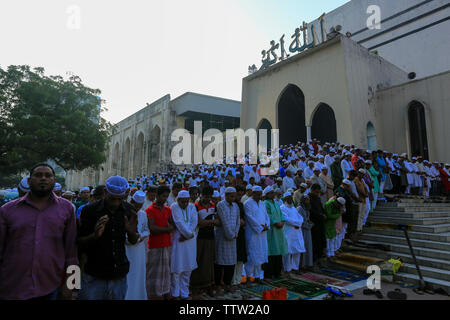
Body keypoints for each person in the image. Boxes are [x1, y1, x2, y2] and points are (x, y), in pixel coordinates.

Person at [0, 163, 78, 300]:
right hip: (12, 287)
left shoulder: (67, 209)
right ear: (29, 181)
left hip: (50, 288)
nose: (43, 178)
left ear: (54, 181)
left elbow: (72, 252)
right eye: (38, 175)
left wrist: (72, 285)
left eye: (48, 175)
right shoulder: (7, 210)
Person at [77, 176, 138, 300]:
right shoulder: (89, 211)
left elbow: (133, 240)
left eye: (120, 199)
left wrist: (131, 232)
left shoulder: (129, 210)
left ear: (125, 195)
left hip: (119, 274)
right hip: (94, 274)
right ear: (105, 192)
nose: (116, 203)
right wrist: (94, 236)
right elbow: (79, 243)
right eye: (112, 199)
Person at [145, 185, 175, 300]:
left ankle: (164, 291)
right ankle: (153, 294)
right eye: (163, 196)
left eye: (166, 196)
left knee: (165, 271)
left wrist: (167, 228)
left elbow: (173, 224)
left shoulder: (168, 209)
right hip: (154, 245)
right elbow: (152, 228)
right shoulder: (150, 210)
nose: (165, 199)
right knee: (153, 272)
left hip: (166, 244)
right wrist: (167, 229)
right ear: (157, 196)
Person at [170, 190, 198, 300]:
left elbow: (194, 222)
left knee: (187, 268)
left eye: (187, 201)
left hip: (189, 240)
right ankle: (175, 294)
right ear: (178, 200)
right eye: (183, 202)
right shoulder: (174, 206)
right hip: (178, 239)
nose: (185, 204)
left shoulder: (192, 207)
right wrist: (188, 234)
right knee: (177, 269)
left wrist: (188, 235)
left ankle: (185, 293)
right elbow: (179, 222)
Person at [191, 186, 217, 297]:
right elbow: (198, 223)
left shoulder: (213, 205)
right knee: (199, 260)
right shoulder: (195, 206)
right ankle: (196, 286)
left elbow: (218, 221)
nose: (208, 199)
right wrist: (210, 222)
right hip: (199, 237)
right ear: (201, 196)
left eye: (210, 197)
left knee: (209, 261)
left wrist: (206, 222)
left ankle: (208, 285)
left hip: (210, 236)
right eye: (206, 197)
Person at [214, 187, 241, 294]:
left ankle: (228, 284)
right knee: (220, 262)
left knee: (231, 263)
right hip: (222, 237)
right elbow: (224, 221)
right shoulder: (220, 205)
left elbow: (238, 220)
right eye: (231, 196)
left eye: (234, 196)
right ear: (226, 195)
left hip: (233, 236)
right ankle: (218, 285)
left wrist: (236, 233)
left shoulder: (236, 206)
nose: (233, 198)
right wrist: (230, 234)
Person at [125, 191, 150, 300]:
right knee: (128, 276)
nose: (138, 209)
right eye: (136, 206)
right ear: (131, 202)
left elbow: (146, 230)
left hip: (139, 249)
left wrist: (141, 236)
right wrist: (131, 238)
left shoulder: (143, 214)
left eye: (140, 206)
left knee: (139, 275)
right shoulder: (124, 213)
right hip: (127, 249)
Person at [243, 186, 270, 283]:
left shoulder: (262, 203)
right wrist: (260, 228)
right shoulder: (247, 204)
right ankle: (249, 278)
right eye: (257, 194)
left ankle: (258, 276)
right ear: (253, 193)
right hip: (253, 233)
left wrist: (267, 225)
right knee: (252, 255)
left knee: (261, 254)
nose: (259, 196)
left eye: (260, 194)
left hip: (262, 234)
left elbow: (266, 216)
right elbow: (250, 218)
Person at [263, 186, 288, 281]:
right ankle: (269, 274)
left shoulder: (276, 203)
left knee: (279, 251)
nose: (273, 194)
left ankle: (277, 273)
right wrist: (275, 222)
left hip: (279, 230)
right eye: (271, 193)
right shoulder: (266, 203)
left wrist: (282, 221)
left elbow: (281, 214)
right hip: (272, 230)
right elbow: (268, 215)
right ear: (267, 194)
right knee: (271, 252)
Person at [281, 192, 305, 276]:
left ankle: (295, 268)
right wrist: (296, 224)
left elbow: (300, 218)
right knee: (287, 251)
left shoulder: (294, 208)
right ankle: (287, 269)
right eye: (288, 198)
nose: (290, 199)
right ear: (285, 199)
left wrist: (299, 224)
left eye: (290, 198)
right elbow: (286, 219)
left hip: (297, 232)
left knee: (297, 250)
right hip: (288, 232)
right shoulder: (282, 208)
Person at [231, 185, 248, 288]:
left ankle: (238, 280)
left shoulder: (241, 205)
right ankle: (232, 281)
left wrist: (243, 222)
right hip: (232, 233)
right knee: (233, 257)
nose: (239, 196)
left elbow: (244, 218)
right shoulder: (230, 204)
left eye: (241, 194)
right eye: (238, 194)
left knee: (240, 257)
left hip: (241, 233)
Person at [309, 184, 327, 267]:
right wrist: (320, 215)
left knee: (320, 242)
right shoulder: (308, 198)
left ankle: (320, 259)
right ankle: (314, 261)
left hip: (320, 224)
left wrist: (324, 214)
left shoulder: (318, 198)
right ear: (312, 190)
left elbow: (321, 208)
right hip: (314, 224)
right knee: (315, 243)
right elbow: (311, 211)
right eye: (316, 192)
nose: (317, 194)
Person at [298, 195, 313, 270]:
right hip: (302, 230)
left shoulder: (307, 208)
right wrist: (308, 225)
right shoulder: (300, 208)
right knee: (303, 247)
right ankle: (301, 265)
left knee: (308, 247)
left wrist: (310, 223)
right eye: (307, 199)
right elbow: (300, 221)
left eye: (308, 199)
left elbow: (307, 218)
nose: (308, 201)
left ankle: (307, 264)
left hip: (307, 230)